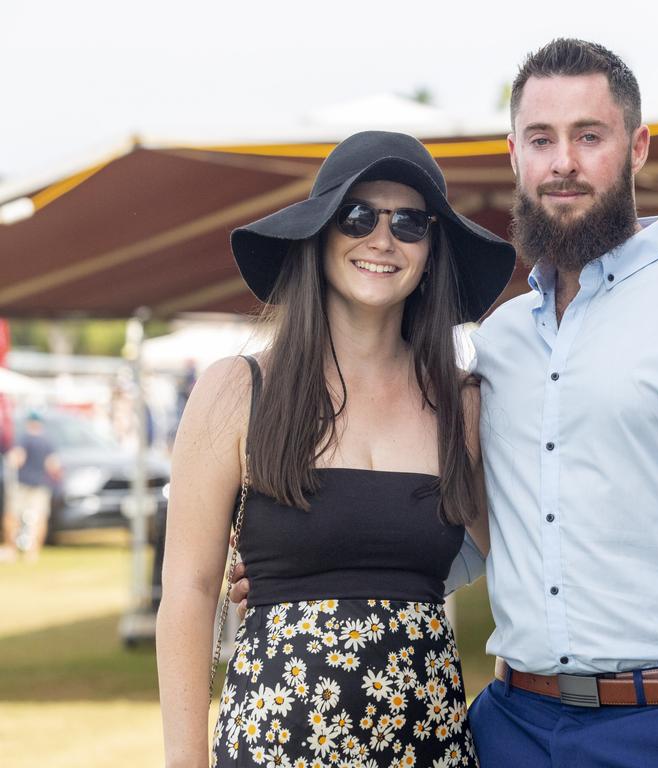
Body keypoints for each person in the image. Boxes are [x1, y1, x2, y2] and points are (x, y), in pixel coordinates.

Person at [237, 39, 658, 768]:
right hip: (508, 728)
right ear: (515, 154)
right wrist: (323, 564)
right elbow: (483, 535)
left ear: (637, 147)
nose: (562, 163)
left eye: (588, 136)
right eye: (541, 139)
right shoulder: (496, 342)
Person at [156, 130, 515, 768]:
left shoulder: (461, 403)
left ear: (431, 251)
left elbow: (522, 567)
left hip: (426, 748)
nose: (383, 240)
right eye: (358, 216)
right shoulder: (238, 390)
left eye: (409, 223)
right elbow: (189, 588)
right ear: (320, 234)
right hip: (274, 749)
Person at [3, 411, 60, 560]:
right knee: (39, 517)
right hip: (41, 484)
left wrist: (10, 462)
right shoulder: (48, 441)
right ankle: (33, 552)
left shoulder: (24, 439)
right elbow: (53, 465)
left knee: (13, 516)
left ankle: (11, 550)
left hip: (21, 484)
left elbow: (17, 459)